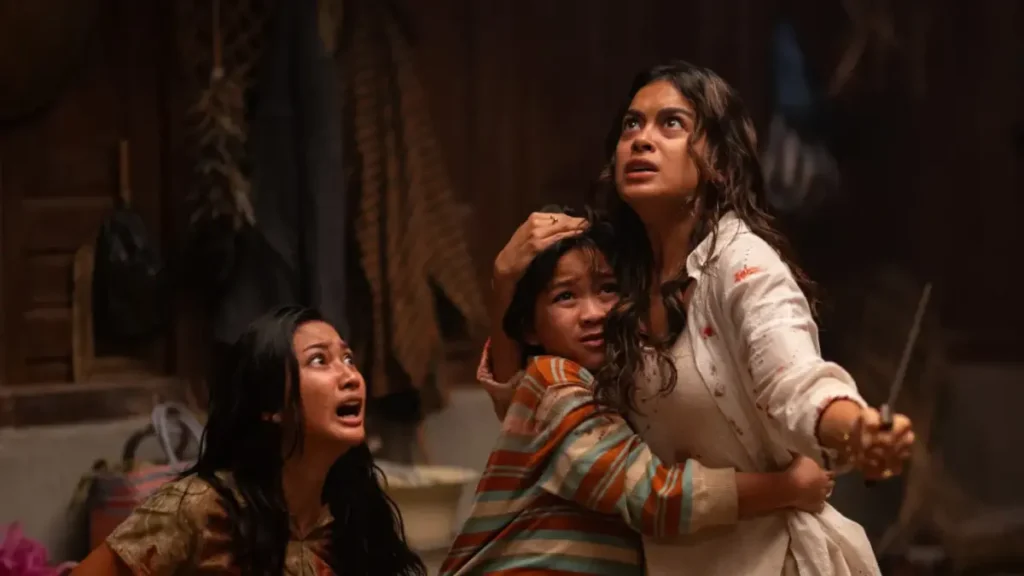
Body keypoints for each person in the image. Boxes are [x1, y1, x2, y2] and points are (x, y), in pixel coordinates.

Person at [479, 61, 915, 575]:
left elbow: (795, 380)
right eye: (631, 125)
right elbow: (530, 403)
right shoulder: (619, 277)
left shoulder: (742, 264)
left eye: (672, 123)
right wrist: (503, 281)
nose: (642, 139)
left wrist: (858, 430)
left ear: (719, 162)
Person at [442, 206, 834, 575]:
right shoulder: (555, 382)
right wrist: (787, 488)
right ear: (529, 329)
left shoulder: (604, 383)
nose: (593, 313)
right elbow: (652, 497)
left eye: (607, 289)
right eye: (566, 296)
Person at [72, 306, 426, 576]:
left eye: (348, 359)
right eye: (319, 360)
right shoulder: (201, 508)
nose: (350, 376)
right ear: (271, 406)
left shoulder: (355, 514)